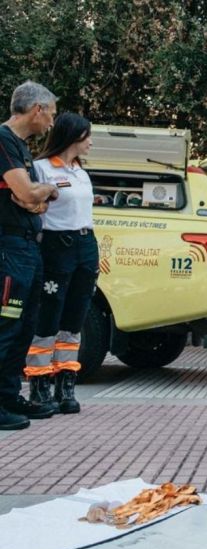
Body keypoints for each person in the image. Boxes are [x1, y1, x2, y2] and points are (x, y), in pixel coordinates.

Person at [22, 113, 98, 415]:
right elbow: (31, 205)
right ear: (74, 136)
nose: (91, 142)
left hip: (85, 245)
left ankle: (66, 384)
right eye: (88, 135)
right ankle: (40, 383)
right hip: (56, 246)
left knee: (75, 316)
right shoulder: (42, 168)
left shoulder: (80, 171)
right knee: (48, 315)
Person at [0, 81, 60, 430]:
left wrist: (37, 195)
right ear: (37, 109)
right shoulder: (3, 140)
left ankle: (9, 397)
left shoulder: (21, 148)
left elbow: (34, 203)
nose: (51, 122)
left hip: (27, 247)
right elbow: (26, 193)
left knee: (24, 326)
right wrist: (45, 189)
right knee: (6, 325)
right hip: (8, 247)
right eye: (51, 114)